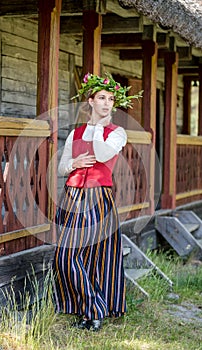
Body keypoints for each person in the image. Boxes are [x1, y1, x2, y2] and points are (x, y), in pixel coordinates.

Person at [52, 73, 142, 331]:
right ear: (90, 101)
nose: (106, 103)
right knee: (66, 256)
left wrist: (100, 127)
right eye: (101, 98)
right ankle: (92, 308)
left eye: (111, 99)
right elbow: (61, 168)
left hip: (98, 197)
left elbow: (102, 154)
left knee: (95, 257)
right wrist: (73, 164)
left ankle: (92, 312)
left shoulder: (117, 132)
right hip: (71, 196)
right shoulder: (76, 132)